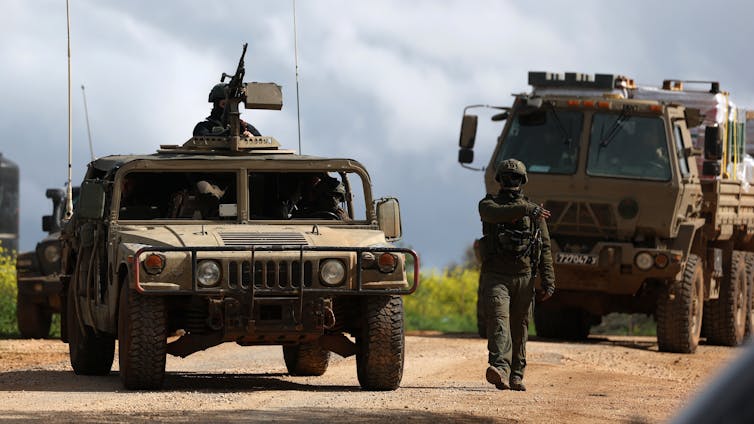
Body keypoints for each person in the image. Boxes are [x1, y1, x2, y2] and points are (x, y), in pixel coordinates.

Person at [478, 158, 555, 391]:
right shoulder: (488, 205)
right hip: (496, 276)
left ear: (522, 181)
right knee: (499, 322)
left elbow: (545, 247)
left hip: (525, 277)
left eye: (515, 177)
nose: (511, 181)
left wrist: (548, 280)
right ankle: (500, 368)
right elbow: (492, 214)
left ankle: (516, 375)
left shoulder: (535, 211)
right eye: (507, 177)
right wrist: (526, 209)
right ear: (499, 180)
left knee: (520, 327)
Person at [193, 83, 261, 137]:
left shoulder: (244, 127)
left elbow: (263, 145)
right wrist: (228, 133)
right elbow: (202, 139)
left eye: (232, 105)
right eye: (224, 104)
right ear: (216, 105)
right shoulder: (204, 127)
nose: (228, 108)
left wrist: (251, 139)